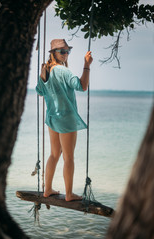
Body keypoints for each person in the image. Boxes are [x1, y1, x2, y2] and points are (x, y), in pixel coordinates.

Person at [36, 39, 93, 201]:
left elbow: (40, 91)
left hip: (52, 118)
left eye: (68, 51)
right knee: (68, 157)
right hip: (66, 119)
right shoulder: (63, 71)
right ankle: (69, 194)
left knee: (54, 154)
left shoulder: (45, 70)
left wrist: (53, 90)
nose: (66, 54)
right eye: (62, 51)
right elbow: (82, 86)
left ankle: (47, 189)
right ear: (54, 53)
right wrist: (86, 65)